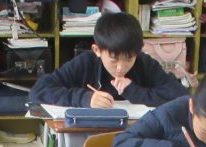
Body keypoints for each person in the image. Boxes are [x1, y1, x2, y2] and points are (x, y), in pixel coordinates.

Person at [30, 12, 187, 108]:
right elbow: (39, 90)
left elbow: (180, 95)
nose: (120, 67)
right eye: (114, 60)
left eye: (129, 58)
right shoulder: (85, 63)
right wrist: (85, 98)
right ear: (97, 50)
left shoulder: (144, 62)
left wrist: (134, 91)